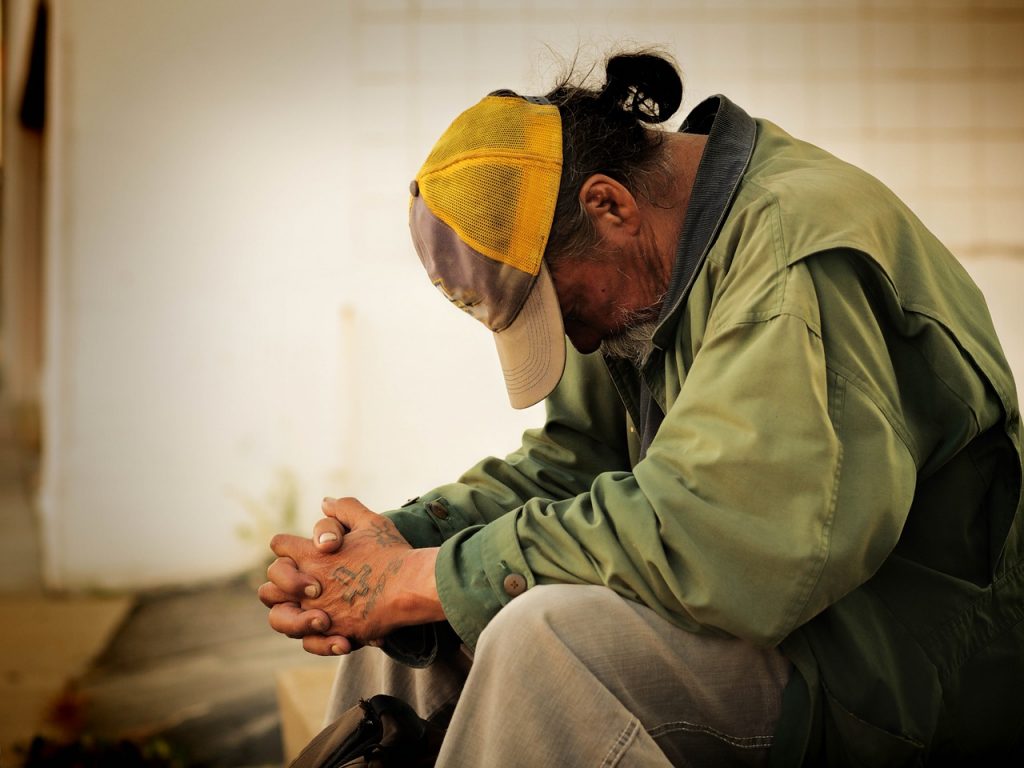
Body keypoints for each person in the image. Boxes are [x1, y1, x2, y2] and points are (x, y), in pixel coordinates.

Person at [260, 51, 1024, 766]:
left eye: (559, 309)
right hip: (781, 624)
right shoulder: (642, 266)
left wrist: (425, 576)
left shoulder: (794, 262)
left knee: (543, 641)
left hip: (887, 673)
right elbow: (577, 463)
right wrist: (399, 547)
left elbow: (729, 541)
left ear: (608, 206)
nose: (576, 341)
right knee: (398, 623)